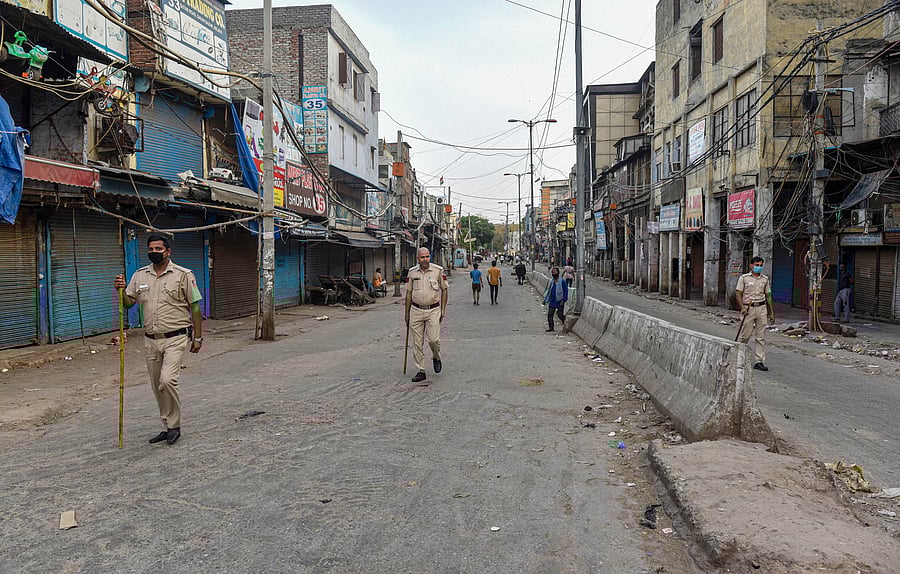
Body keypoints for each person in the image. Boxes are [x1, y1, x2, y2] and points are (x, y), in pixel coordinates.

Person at [113, 233, 203, 445]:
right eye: (151, 249)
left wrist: (197, 337)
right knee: (156, 385)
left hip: (176, 337)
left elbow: (196, 306)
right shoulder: (139, 275)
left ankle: (175, 425)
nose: (154, 252)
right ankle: (167, 425)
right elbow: (128, 303)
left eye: (158, 249)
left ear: (168, 252)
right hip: (150, 340)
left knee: (167, 380)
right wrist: (119, 289)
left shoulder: (183, 274)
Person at [405, 247, 448, 383]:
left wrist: (443, 310)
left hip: (433, 310)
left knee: (433, 340)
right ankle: (421, 370)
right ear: (418, 259)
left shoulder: (438, 271)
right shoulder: (412, 273)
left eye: (427, 257)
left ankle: (436, 356)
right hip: (416, 310)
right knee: (417, 343)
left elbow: (444, 290)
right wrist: (406, 314)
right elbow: (408, 294)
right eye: (422, 257)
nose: (425, 260)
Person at [735, 256, 775, 372]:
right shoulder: (744, 278)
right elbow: (738, 293)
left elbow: (768, 295)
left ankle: (759, 361)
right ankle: (739, 357)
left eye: (761, 265)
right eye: (757, 265)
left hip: (761, 308)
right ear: (751, 266)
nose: (759, 267)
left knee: (760, 337)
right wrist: (742, 308)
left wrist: (771, 313)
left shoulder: (765, 279)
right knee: (745, 336)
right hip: (748, 308)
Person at [544, 266, 568, 332]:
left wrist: (564, 300)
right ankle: (551, 327)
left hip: (559, 300)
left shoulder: (562, 282)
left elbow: (565, 291)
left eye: (555, 272)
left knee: (560, 315)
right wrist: (545, 299)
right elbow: (549, 291)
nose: (553, 273)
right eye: (552, 272)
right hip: (552, 301)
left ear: (558, 273)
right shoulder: (552, 281)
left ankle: (565, 322)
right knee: (550, 315)